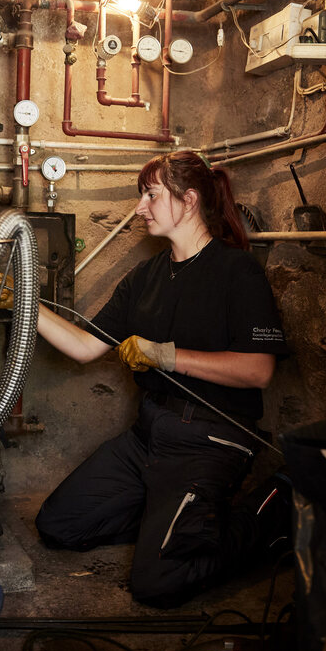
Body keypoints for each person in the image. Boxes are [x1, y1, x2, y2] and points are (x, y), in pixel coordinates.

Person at [33, 150, 291, 608]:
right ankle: (178, 520)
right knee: (58, 525)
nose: (140, 208)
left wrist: (168, 356)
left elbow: (258, 371)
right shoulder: (145, 277)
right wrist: (25, 306)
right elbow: (85, 348)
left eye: (151, 195)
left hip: (211, 440)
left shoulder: (237, 271)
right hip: (149, 436)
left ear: (189, 200)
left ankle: (270, 516)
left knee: (158, 583)